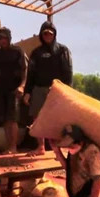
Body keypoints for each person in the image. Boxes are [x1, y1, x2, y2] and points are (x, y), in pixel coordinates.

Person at [24, 21, 72, 156]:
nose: (48, 36)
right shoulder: (36, 53)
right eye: (45, 33)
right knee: (37, 119)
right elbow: (31, 74)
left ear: (54, 35)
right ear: (41, 34)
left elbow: (68, 71)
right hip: (39, 89)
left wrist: (67, 90)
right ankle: (40, 147)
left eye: (50, 33)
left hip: (57, 90)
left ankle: (58, 151)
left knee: (57, 120)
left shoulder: (63, 50)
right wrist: (27, 92)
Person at [0, 27, 27, 154]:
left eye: (4, 38)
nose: (1, 41)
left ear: (9, 38)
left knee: (12, 119)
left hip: (14, 89)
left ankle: (13, 147)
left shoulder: (17, 51)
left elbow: (25, 70)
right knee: (5, 119)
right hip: (2, 89)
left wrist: (22, 86)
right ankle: (9, 146)